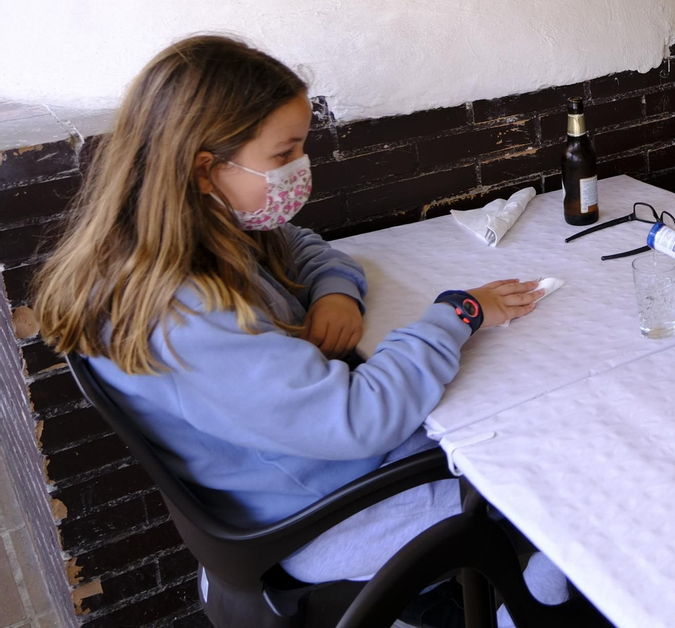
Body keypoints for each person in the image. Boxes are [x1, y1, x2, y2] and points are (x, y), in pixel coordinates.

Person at [31, 36, 569, 628]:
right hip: (329, 508)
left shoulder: (190, 234)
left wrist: (335, 294)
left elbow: (305, 244)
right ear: (205, 167)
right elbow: (362, 419)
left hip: (299, 473)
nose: (299, 168)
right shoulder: (184, 313)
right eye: (284, 152)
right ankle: (529, 609)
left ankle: (427, 600)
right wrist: (458, 315)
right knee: (555, 466)